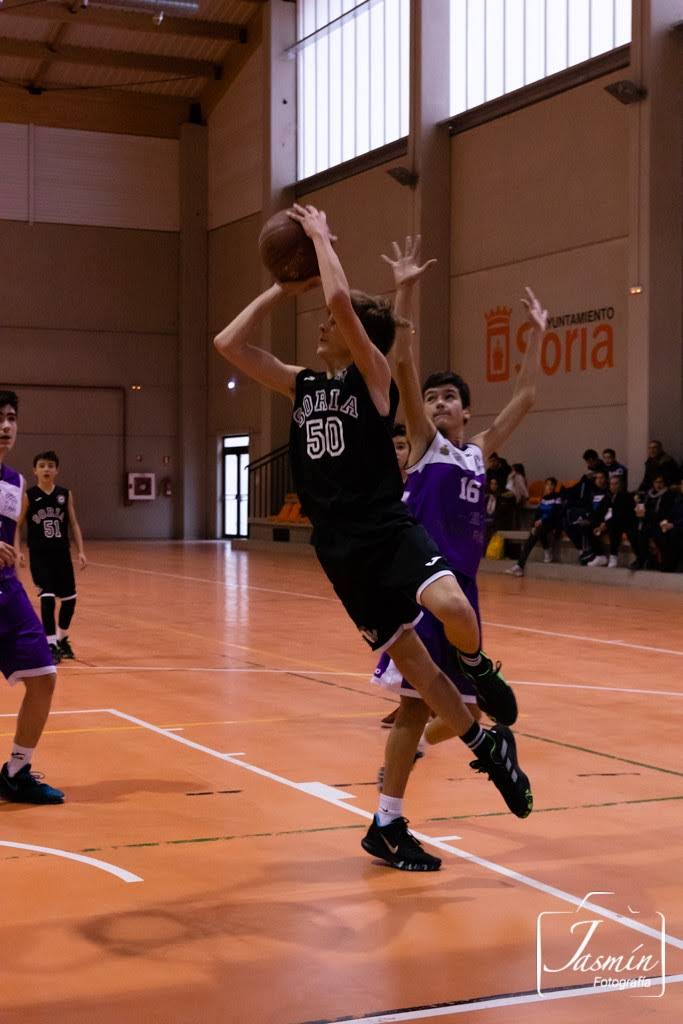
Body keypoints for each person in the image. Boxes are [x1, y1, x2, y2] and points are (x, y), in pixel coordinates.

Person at [214, 208, 533, 870]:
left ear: (359, 338)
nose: (324, 323)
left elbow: (340, 299)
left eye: (334, 323)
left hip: (386, 527)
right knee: (415, 670)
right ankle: (484, 748)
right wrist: (280, 284)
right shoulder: (304, 385)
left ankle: (477, 667)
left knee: (451, 611)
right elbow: (228, 345)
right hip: (337, 550)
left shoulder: (373, 382)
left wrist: (325, 244)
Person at [365, 237, 545, 868]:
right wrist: (406, 290)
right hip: (424, 591)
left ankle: (404, 770)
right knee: (422, 706)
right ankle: (387, 817)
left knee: (451, 710)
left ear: (466, 410)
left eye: (450, 397)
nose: (439, 403)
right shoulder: (424, 443)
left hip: (463, 592)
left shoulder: (477, 451)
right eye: (434, 397)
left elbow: (525, 398)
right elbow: (405, 365)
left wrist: (535, 336)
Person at [0, 391, 64, 804]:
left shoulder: (15, 481)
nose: (6, 425)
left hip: (6, 592)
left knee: (44, 677)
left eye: (10, 417)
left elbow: (11, 535)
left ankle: (16, 772)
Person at [15, 451, 87, 663]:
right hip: (40, 556)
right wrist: (18, 550)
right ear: (35, 470)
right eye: (42, 465)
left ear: (57, 470)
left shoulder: (65, 494)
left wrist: (81, 550)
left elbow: (73, 523)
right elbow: (18, 526)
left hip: (62, 555)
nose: (46, 469)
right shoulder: (30, 495)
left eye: (50, 466)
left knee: (69, 601)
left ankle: (62, 639)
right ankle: (51, 643)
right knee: (47, 600)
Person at [506, 477, 563, 576]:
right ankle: (545, 551)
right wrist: (533, 525)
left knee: (536, 533)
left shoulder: (557, 498)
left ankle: (521, 564)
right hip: (542, 524)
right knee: (534, 534)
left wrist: (542, 520)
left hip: (553, 523)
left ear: (554, 486)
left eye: (551, 485)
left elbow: (556, 513)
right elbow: (537, 514)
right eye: (547, 484)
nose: (549, 487)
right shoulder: (544, 499)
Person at [586, 474, 635, 568]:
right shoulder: (607, 497)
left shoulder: (626, 497)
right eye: (611, 484)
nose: (613, 486)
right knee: (587, 526)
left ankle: (613, 556)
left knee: (614, 527)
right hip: (605, 524)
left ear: (621, 485)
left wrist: (606, 524)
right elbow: (599, 512)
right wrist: (596, 523)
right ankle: (599, 555)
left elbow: (620, 515)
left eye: (616, 484)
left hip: (620, 524)